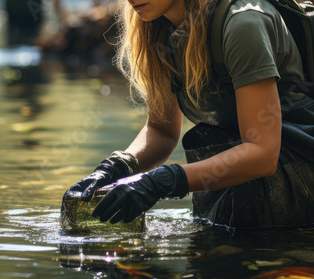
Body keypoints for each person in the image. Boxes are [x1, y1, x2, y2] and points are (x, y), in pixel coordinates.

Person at [64, 0, 314, 229]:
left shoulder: (243, 24)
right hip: (241, 200)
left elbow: (263, 153)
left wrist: (162, 181)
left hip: (298, 187)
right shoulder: (158, 29)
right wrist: (116, 167)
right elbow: (161, 131)